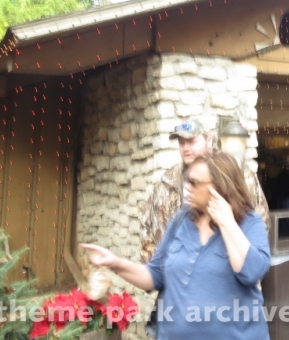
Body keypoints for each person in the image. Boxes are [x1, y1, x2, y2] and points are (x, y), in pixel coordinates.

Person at [82, 152, 271, 340]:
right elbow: (155, 276)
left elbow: (252, 272)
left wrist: (227, 222)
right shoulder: (181, 220)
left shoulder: (248, 222)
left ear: (220, 187)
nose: (187, 187)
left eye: (194, 182)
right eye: (186, 180)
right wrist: (114, 263)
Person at [139, 119, 270, 263]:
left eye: (191, 141)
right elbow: (147, 228)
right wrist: (160, 271)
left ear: (209, 141)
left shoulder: (240, 177)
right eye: (181, 142)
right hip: (178, 278)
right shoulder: (167, 183)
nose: (185, 148)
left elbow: (261, 224)